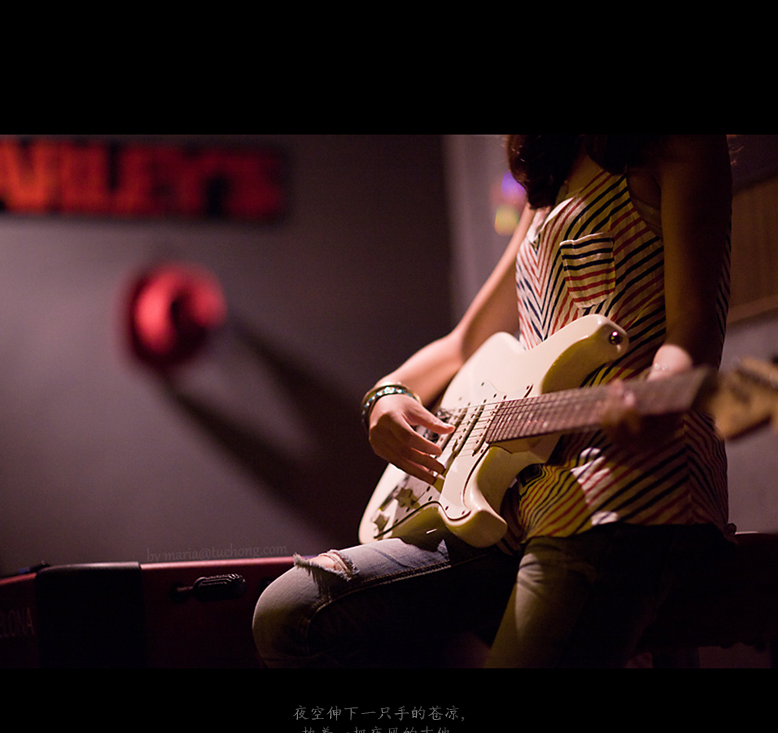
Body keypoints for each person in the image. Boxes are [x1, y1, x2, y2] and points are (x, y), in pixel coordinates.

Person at [252, 134, 734, 668]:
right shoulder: (548, 180)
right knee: (289, 613)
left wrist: (660, 393)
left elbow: (693, 330)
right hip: (513, 501)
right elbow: (465, 343)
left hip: (624, 490)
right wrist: (387, 394)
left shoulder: (676, 144)